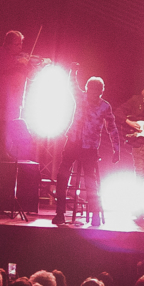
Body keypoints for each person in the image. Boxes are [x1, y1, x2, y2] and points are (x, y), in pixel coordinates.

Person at [52, 77, 121, 227]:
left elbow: (112, 127)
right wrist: (73, 71)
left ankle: (95, 214)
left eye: (95, 92)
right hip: (72, 143)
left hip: (89, 148)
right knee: (62, 176)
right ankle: (60, 213)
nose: (91, 95)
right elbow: (72, 84)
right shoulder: (81, 97)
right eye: (90, 91)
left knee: (90, 181)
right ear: (87, 90)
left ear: (100, 92)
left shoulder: (104, 107)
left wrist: (116, 148)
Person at [0, 31, 38, 160]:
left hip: (16, 101)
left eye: (21, 44)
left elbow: (32, 76)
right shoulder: (0, 54)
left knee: (10, 129)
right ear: (8, 44)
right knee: (1, 128)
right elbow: (0, 68)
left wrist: (35, 66)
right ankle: (0, 153)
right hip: (2, 99)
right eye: (16, 44)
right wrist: (19, 63)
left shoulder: (22, 60)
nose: (20, 47)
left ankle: (9, 154)